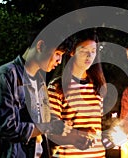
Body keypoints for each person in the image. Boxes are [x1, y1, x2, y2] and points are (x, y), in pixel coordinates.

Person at [0, 27, 71, 158]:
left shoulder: (40, 82)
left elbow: (41, 123)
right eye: (58, 53)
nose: (59, 61)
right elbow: (5, 128)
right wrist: (48, 127)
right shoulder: (6, 75)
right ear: (40, 46)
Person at [47, 29, 107, 157]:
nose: (89, 56)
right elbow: (51, 131)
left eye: (93, 51)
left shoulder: (97, 86)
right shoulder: (57, 87)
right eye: (84, 51)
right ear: (72, 52)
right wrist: (78, 133)